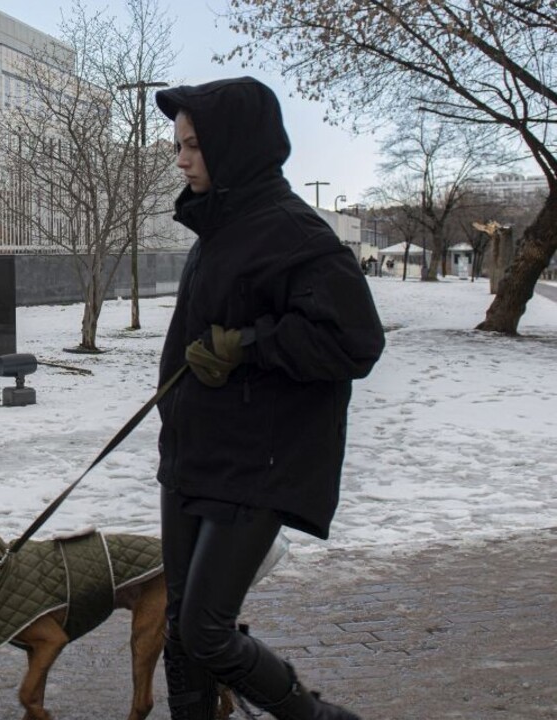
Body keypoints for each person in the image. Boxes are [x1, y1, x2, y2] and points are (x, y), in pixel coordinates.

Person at [152, 77, 385, 720]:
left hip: (257, 463)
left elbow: (355, 341)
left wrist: (247, 346)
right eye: (179, 145)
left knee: (205, 628)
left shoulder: (291, 232)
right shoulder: (217, 230)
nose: (181, 159)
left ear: (235, 146)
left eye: (194, 145)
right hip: (195, 456)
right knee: (179, 627)